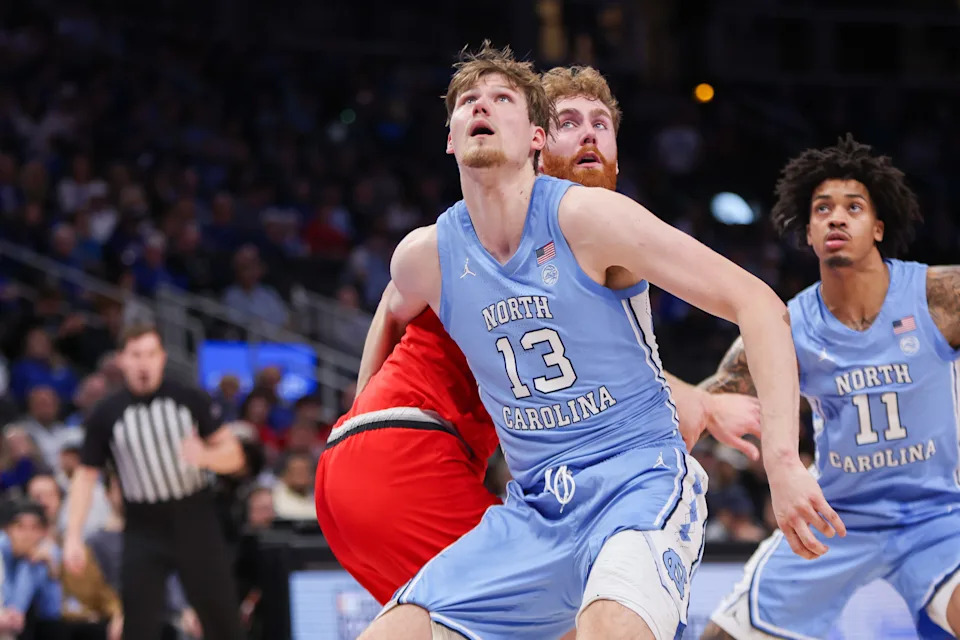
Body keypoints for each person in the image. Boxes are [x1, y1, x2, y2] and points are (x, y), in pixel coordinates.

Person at [358, 42, 842, 640]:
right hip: (535, 509)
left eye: (502, 96)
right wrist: (359, 426)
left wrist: (783, 463)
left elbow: (758, 303)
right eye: (468, 100)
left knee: (608, 627)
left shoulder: (590, 219)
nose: (482, 103)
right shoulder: (426, 255)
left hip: (636, 486)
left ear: (532, 137)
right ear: (451, 138)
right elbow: (390, 308)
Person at [314, 65, 761, 608]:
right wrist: (366, 424)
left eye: (600, 123)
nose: (588, 135)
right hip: (408, 455)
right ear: (536, 145)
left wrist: (356, 430)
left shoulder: (575, 238)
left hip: (372, 466)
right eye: (568, 123)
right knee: (561, 616)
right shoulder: (489, 233)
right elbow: (391, 307)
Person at [702, 135, 960, 639]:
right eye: (822, 209)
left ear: (879, 226)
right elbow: (710, 398)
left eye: (853, 207)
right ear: (808, 232)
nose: (836, 218)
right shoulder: (784, 326)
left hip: (939, 515)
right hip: (835, 519)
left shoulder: (939, 298)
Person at [62, 322, 246, 640]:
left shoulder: (189, 399)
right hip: (143, 526)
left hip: (195, 517)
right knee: (138, 624)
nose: (143, 363)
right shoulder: (106, 413)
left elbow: (235, 455)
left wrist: (205, 456)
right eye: (135, 355)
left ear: (162, 357)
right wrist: (73, 535)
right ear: (121, 360)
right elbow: (84, 476)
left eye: (150, 353)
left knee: (222, 619)